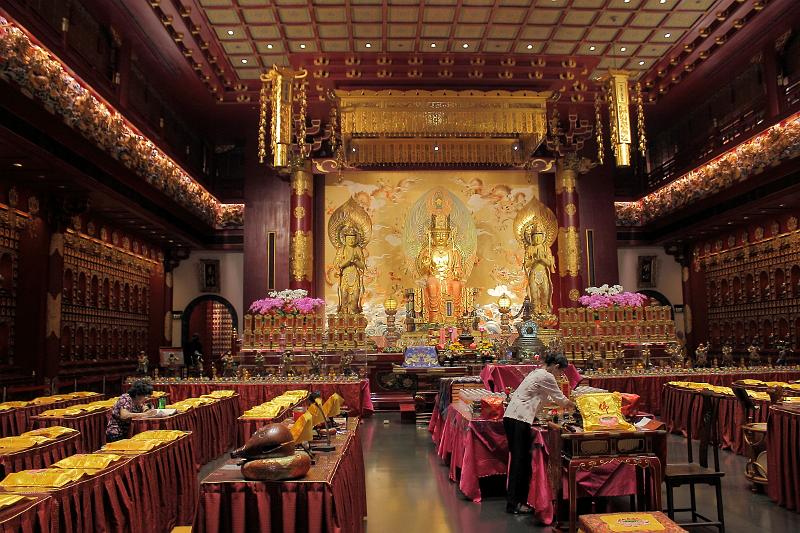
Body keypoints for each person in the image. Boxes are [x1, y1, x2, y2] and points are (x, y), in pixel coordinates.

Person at [503, 352, 575, 514]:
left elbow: (543, 398)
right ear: (556, 366)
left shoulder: (536, 372)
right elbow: (560, 399)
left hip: (512, 417)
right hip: (519, 419)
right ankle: (514, 503)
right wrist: (576, 405)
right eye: (561, 372)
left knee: (519, 461)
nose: (560, 376)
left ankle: (516, 502)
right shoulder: (547, 376)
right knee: (520, 462)